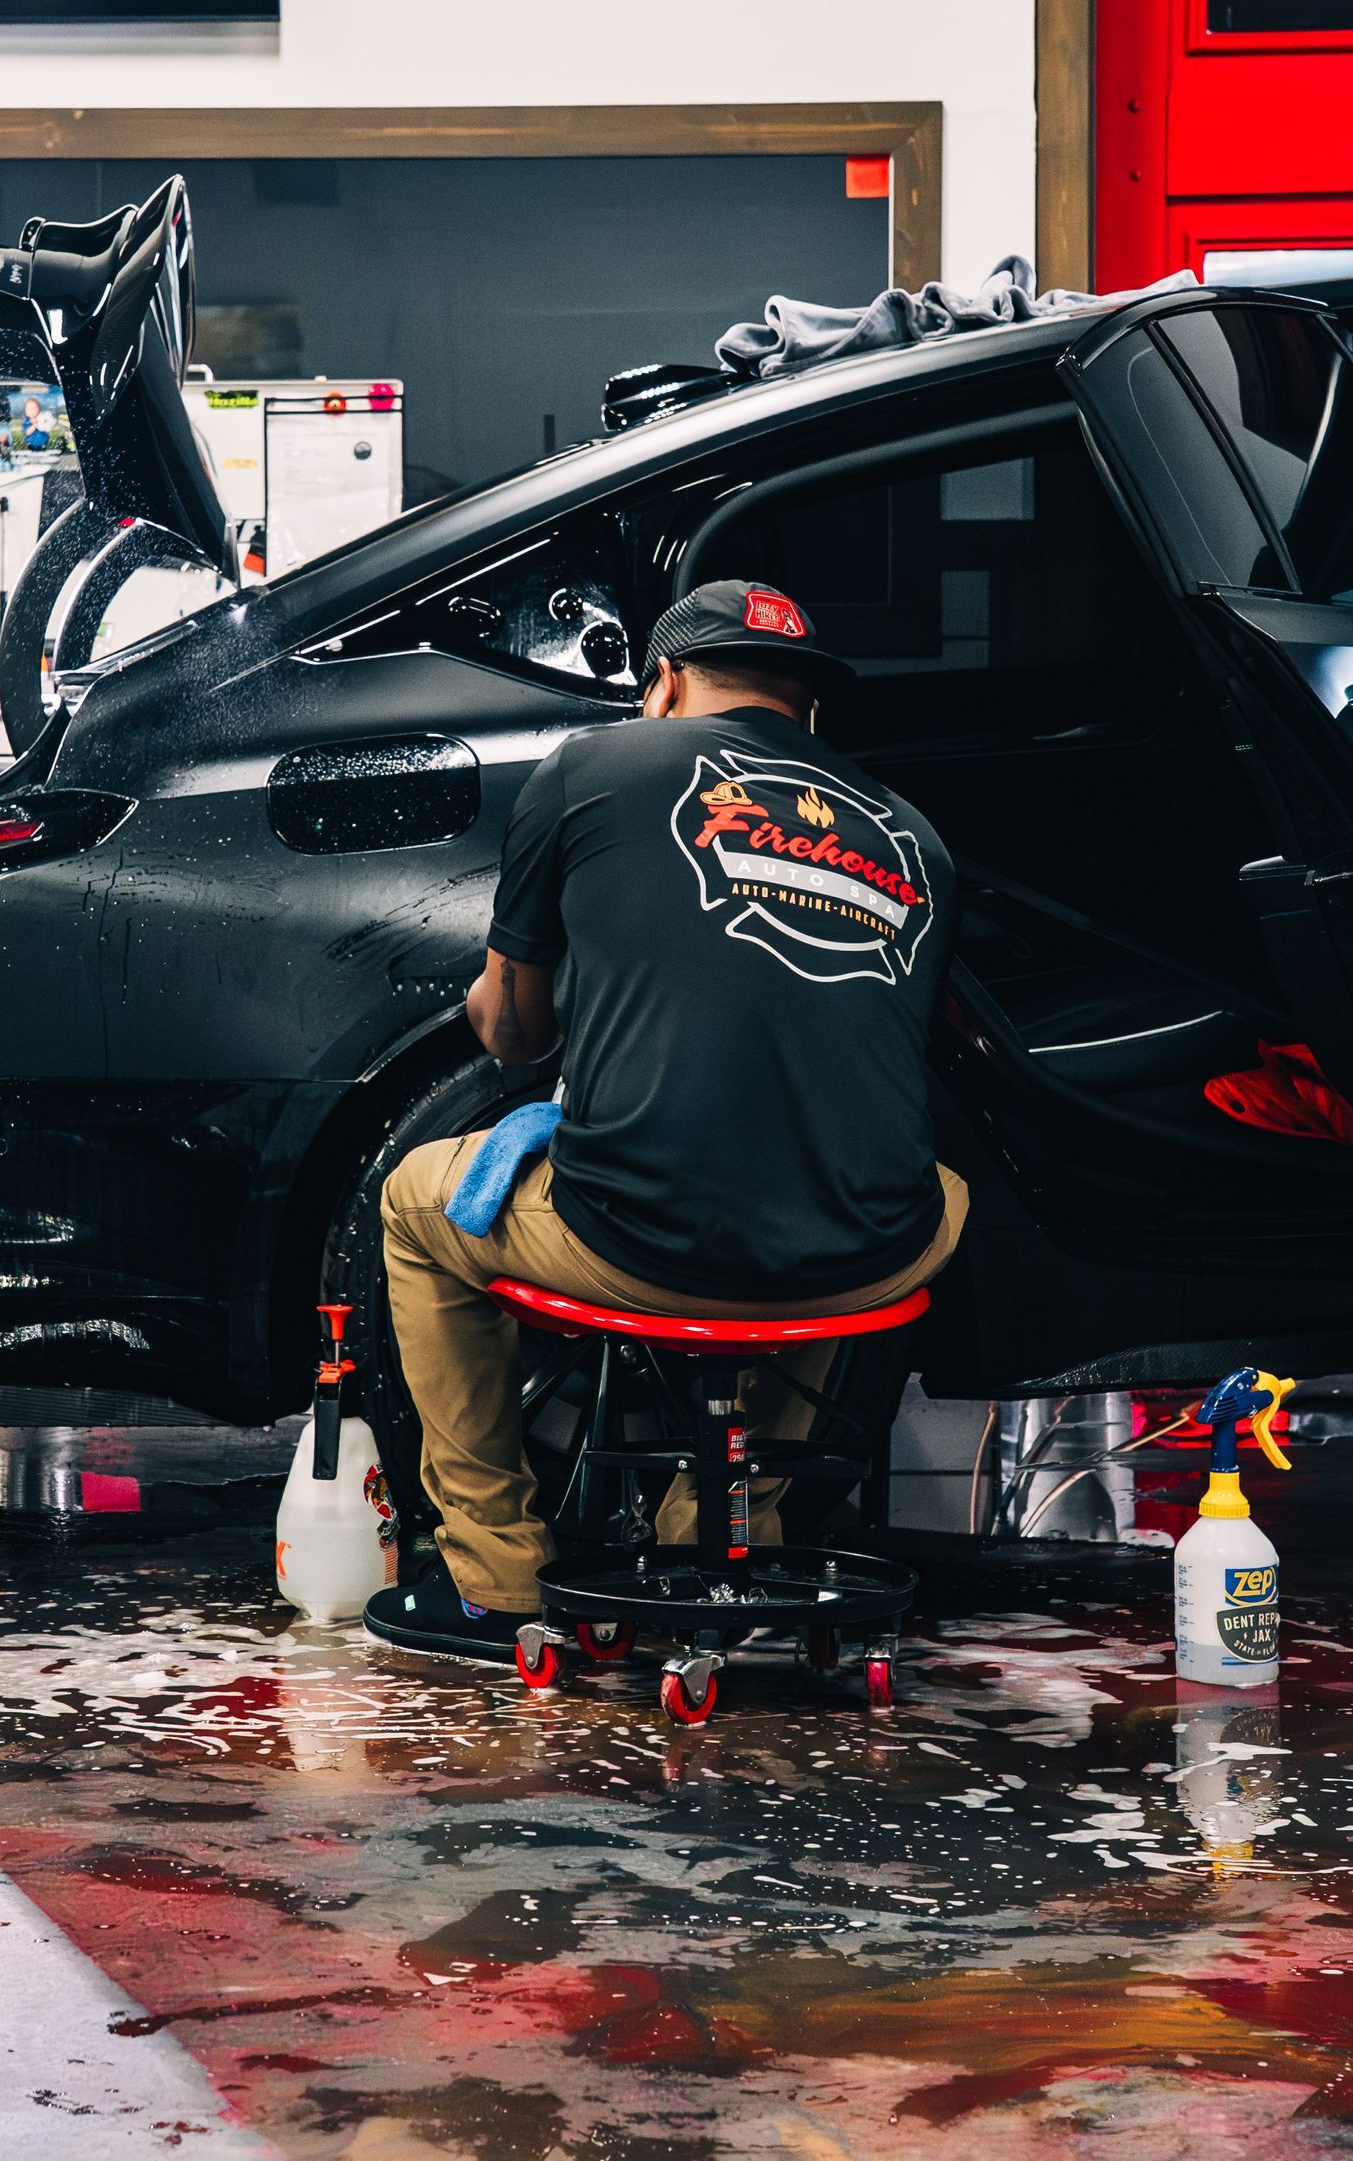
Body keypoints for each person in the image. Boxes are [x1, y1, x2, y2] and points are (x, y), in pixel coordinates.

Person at [363, 577, 966, 1660]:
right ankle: (733, 1518)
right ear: (808, 708)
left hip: (635, 1242)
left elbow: (513, 1034)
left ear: (666, 684)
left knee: (414, 1199)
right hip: (869, 1258)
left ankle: (492, 1574)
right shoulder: (918, 836)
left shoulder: (591, 768)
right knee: (905, 1186)